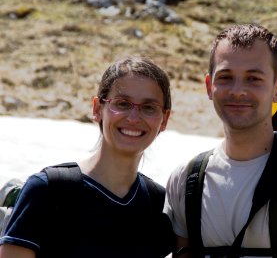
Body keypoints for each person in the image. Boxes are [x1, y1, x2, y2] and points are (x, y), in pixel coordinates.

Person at [164, 24, 277, 257]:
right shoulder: (186, 180)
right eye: (226, 77)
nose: (238, 90)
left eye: (253, 78)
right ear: (210, 87)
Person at [0, 56, 175, 258]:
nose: (134, 118)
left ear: (165, 119)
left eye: (148, 107)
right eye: (123, 103)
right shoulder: (48, 190)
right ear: (97, 109)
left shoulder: (158, 204)